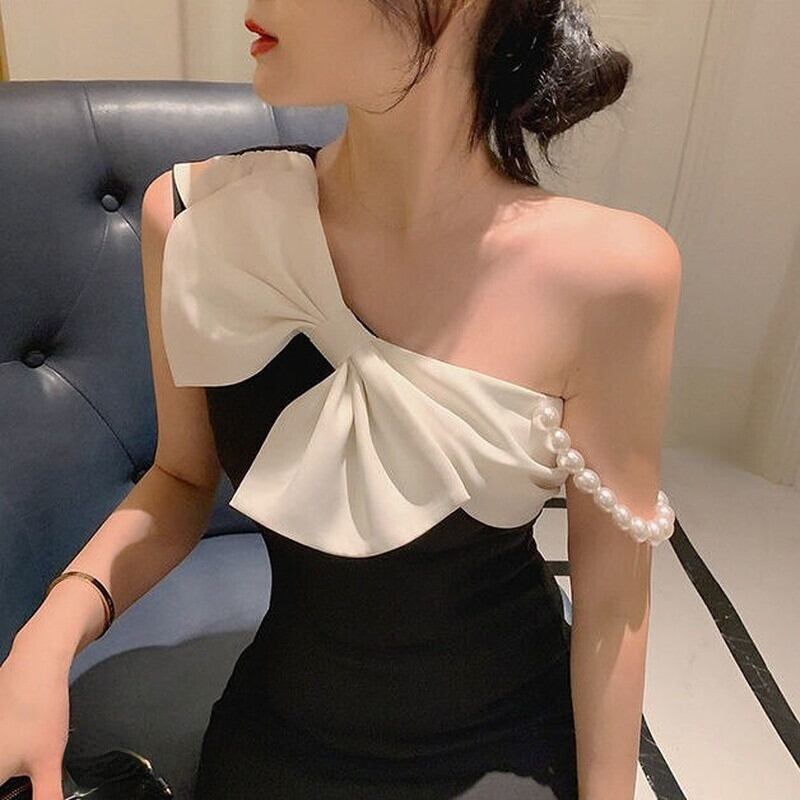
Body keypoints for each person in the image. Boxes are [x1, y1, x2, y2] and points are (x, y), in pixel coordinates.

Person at [0, 1, 681, 798]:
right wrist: (46, 638)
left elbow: (612, 600)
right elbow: (182, 480)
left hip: (508, 745)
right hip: (281, 744)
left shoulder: (612, 276)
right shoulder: (195, 222)